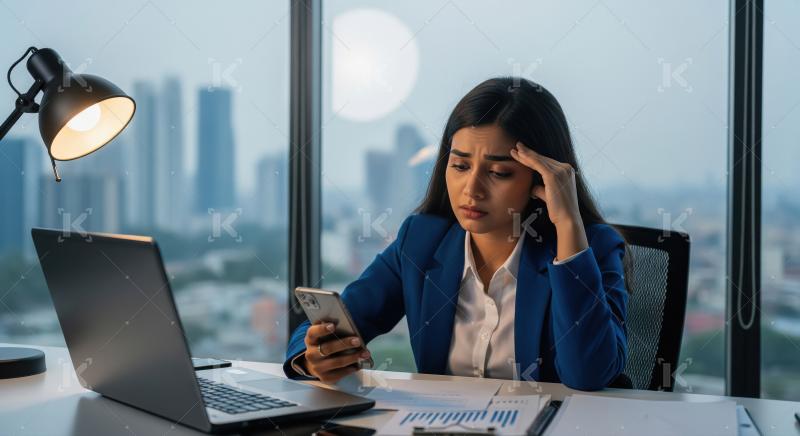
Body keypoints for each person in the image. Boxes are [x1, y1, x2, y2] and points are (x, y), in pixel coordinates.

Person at [283, 77, 629, 391]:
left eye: (498, 172)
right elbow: (331, 322)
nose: (472, 190)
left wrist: (568, 225)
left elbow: (588, 374)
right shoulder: (420, 241)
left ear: (541, 179)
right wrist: (313, 354)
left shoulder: (590, 248)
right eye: (460, 166)